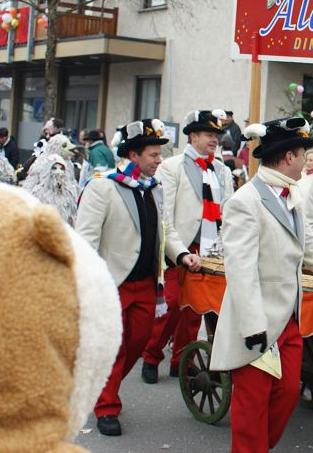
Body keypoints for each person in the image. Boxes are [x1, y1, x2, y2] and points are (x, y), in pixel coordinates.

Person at [209, 116, 313, 453]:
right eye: (302, 154)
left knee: (283, 401)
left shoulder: (291, 195)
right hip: (255, 326)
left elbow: (312, 247)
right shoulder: (245, 201)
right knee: (251, 412)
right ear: (288, 157)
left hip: (289, 324)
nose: (305, 161)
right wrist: (253, 325)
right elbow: (240, 271)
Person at [75, 118, 178, 436]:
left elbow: (166, 231)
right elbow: (85, 240)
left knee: (137, 342)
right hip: (111, 283)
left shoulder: (154, 188)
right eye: (153, 155)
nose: (159, 160)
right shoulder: (103, 186)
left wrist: (182, 254)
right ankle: (106, 406)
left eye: (159, 155)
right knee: (113, 347)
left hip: (147, 284)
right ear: (133, 155)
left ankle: (98, 387)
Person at [141, 110, 234, 384]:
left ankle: (181, 361)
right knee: (171, 305)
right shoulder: (172, 167)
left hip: (210, 248)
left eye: (216, 136)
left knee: (195, 309)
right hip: (180, 247)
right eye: (208, 135)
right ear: (193, 136)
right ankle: (151, 356)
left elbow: (226, 210)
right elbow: (165, 215)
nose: (214, 140)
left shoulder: (222, 170)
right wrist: (178, 251)